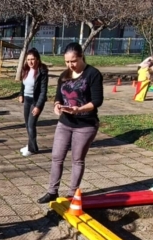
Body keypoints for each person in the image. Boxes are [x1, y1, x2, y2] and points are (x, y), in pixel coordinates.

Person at [37, 42, 104, 204]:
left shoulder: (93, 74)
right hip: (65, 122)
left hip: (85, 124)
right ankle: (52, 191)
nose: (70, 65)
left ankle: (72, 194)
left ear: (81, 56)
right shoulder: (64, 75)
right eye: (67, 62)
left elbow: (97, 101)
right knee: (56, 157)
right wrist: (57, 106)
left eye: (73, 61)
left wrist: (79, 110)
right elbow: (58, 97)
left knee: (77, 159)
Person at [18, 48, 49, 157]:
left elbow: (43, 91)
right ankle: (31, 145)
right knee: (27, 124)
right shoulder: (26, 69)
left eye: (33, 59)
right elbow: (23, 84)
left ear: (37, 59)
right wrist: (21, 94)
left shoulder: (42, 72)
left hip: (36, 101)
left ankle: (32, 149)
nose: (30, 62)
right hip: (27, 99)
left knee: (31, 124)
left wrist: (38, 106)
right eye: (28, 59)